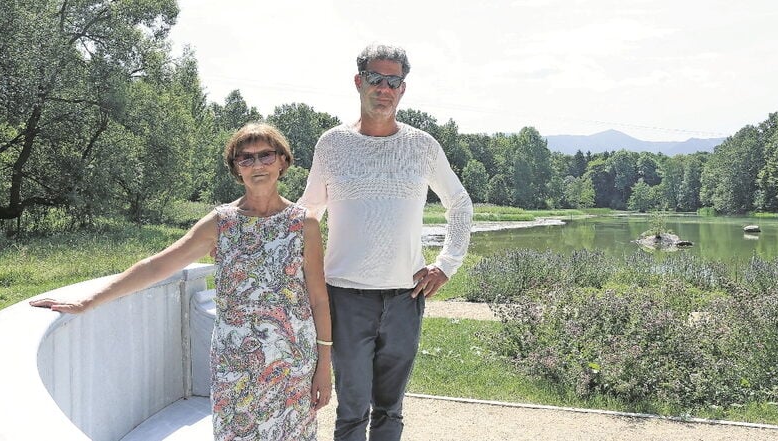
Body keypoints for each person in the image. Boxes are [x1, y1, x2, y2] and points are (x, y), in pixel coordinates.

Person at [31, 123, 333, 441]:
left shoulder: (304, 224)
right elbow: (157, 266)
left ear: (283, 161)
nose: (257, 165)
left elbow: (318, 300)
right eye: (245, 158)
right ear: (235, 168)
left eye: (266, 155)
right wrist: (88, 301)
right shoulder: (221, 223)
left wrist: (323, 366)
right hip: (235, 363)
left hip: (291, 362)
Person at [298, 43, 473, 441]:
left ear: (403, 89)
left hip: (404, 300)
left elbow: (459, 204)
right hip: (345, 297)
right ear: (359, 82)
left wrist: (447, 264)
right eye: (376, 79)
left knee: (390, 411)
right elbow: (309, 213)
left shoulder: (422, 146)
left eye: (393, 81)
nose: (384, 88)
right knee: (351, 410)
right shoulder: (332, 144)